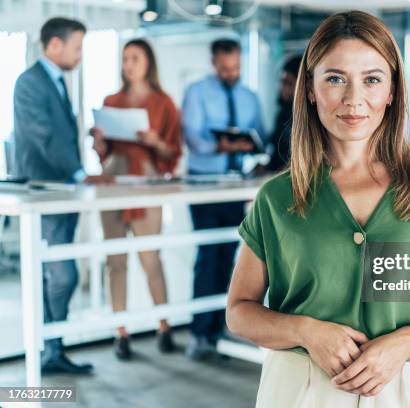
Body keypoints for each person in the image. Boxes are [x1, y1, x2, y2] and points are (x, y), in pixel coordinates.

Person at [226, 11, 410, 407]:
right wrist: (305, 331)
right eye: (335, 79)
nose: (354, 99)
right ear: (311, 89)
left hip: (402, 388)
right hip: (297, 391)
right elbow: (239, 312)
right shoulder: (276, 197)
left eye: (371, 79)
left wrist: (409, 340)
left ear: (392, 91)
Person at [13, 17, 113, 375]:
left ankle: (52, 347)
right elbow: (44, 137)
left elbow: (57, 134)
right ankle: (48, 346)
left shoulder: (54, 82)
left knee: (56, 271)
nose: (80, 54)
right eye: (77, 46)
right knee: (61, 274)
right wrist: (78, 172)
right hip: (44, 191)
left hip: (62, 192)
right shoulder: (31, 82)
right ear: (54, 45)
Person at [90, 39, 182, 360]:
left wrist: (155, 142)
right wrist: (100, 142)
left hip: (146, 181)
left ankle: (164, 325)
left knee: (150, 258)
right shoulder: (111, 100)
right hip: (114, 180)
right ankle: (121, 332)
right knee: (115, 261)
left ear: (148, 63)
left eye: (135, 58)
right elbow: (104, 156)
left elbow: (173, 152)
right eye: (125, 58)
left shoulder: (163, 102)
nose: (129, 64)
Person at [182, 38, 266, 359]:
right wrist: (223, 146)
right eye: (224, 67)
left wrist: (249, 147)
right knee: (208, 256)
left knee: (230, 257)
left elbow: (261, 133)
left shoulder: (249, 97)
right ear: (214, 62)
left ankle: (218, 331)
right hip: (203, 184)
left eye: (235, 67)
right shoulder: (197, 93)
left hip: (235, 186)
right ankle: (199, 333)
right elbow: (194, 138)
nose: (231, 72)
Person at [266, 54, 301, 172]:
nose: (283, 88)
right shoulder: (283, 113)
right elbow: (277, 154)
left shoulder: (312, 117)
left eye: (288, 83)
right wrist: (267, 167)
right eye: (282, 82)